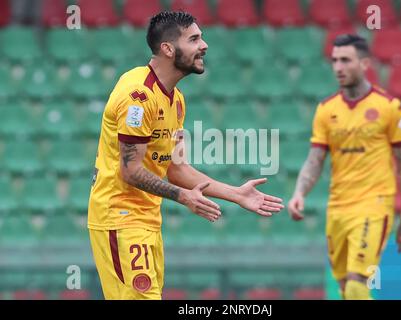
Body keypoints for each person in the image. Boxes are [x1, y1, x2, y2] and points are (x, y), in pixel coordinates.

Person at [87, 11, 284, 300]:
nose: (204, 45)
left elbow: (176, 169)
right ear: (168, 49)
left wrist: (236, 194)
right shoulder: (138, 96)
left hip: (146, 221)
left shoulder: (176, 101)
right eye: (194, 39)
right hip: (120, 217)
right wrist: (183, 197)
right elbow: (129, 171)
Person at [287, 34, 401, 300]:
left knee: (358, 282)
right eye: (334, 61)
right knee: (346, 288)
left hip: (374, 203)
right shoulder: (326, 109)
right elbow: (314, 160)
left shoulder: (389, 107)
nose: (338, 67)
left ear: (365, 63)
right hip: (338, 207)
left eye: (345, 60)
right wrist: (300, 193)